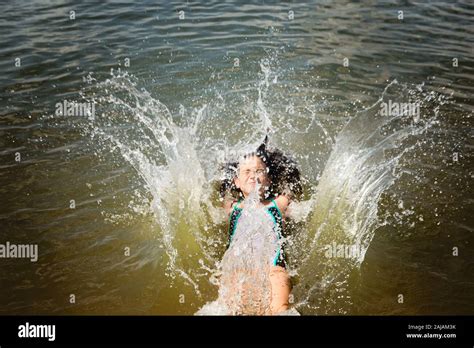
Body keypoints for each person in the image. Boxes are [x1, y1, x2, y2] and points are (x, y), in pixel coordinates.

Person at [219, 136, 302, 314]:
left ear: (269, 180)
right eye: (246, 171)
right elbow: (222, 195)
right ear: (237, 181)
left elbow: (292, 191)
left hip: (273, 269)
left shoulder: (276, 205)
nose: (253, 176)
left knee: (279, 296)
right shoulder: (233, 208)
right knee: (227, 302)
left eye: (259, 171)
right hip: (238, 271)